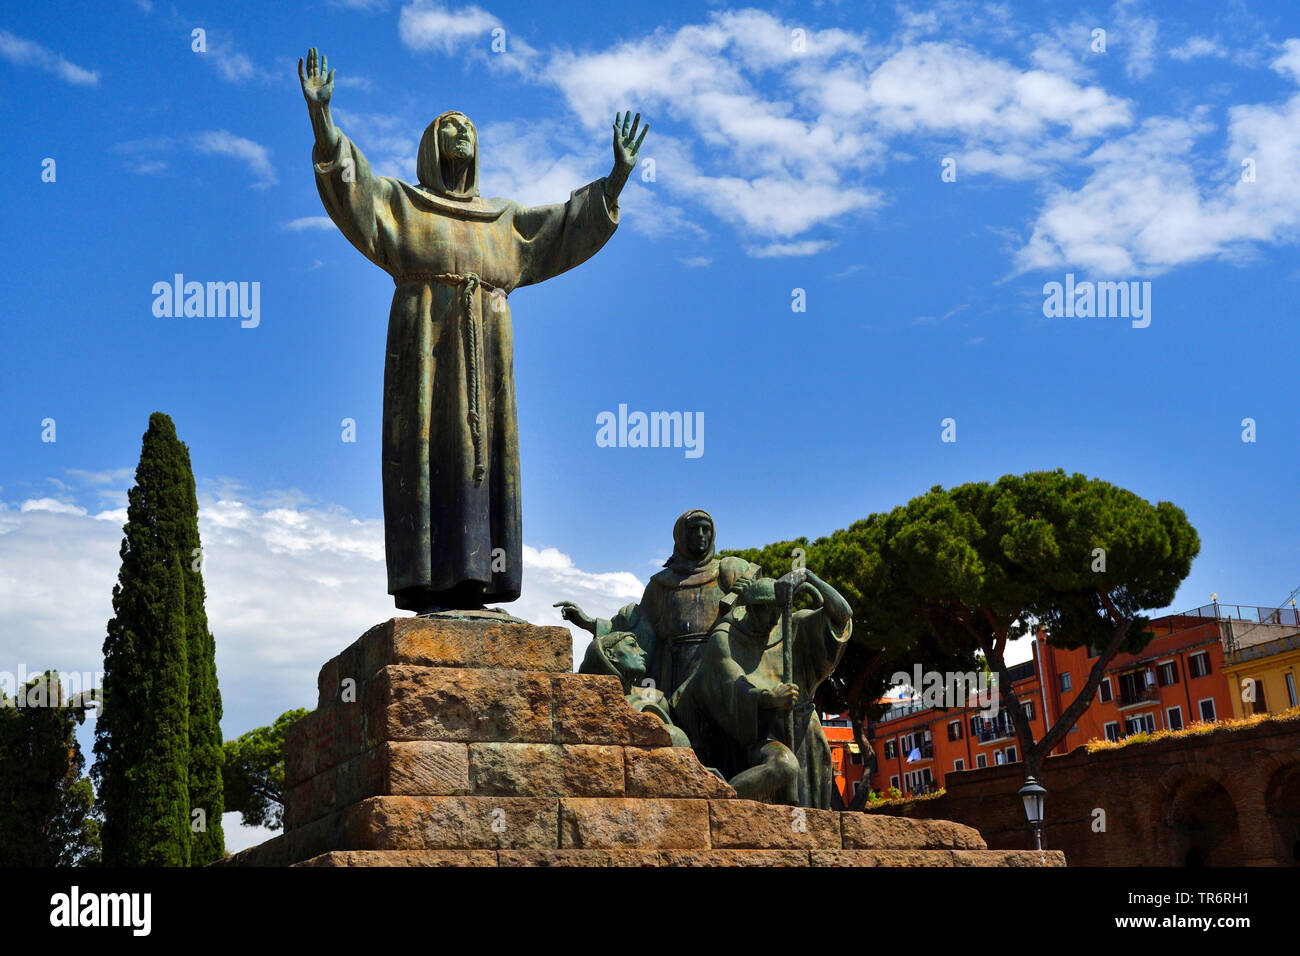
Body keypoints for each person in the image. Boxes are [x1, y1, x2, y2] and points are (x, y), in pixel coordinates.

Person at [299, 47, 646, 612]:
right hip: (424, 355)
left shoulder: (503, 222)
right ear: (431, 148)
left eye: (467, 129)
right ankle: (425, 580)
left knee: (484, 457)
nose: (461, 134)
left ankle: (480, 581)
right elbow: (352, 186)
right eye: (449, 129)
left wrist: (615, 182)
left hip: (486, 362)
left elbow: (559, 228)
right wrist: (323, 121)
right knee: (426, 454)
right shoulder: (404, 206)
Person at [672, 570, 852, 808]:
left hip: (806, 732)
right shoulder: (726, 637)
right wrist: (769, 698)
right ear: (752, 608)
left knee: (813, 812)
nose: (775, 619)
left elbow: (843, 615)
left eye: (778, 610)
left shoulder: (792, 625)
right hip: (760, 734)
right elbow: (733, 685)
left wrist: (808, 577)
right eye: (768, 611)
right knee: (784, 768)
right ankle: (719, 807)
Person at [555, 509, 760, 699]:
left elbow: (761, 613)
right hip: (674, 669)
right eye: (694, 529)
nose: (700, 534)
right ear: (680, 535)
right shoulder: (660, 584)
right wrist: (589, 623)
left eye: (705, 529)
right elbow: (636, 629)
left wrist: (751, 592)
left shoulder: (730, 572)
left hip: (721, 662)